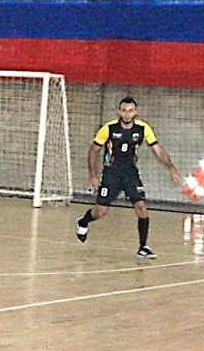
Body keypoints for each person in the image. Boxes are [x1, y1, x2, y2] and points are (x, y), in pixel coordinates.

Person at [76, 96, 180, 258]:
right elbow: (93, 150)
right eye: (124, 110)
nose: (127, 114)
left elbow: (158, 149)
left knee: (141, 207)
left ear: (135, 112)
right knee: (101, 211)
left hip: (131, 174)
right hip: (111, 174)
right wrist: (93, 175)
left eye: (130, 110)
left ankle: (143, 247)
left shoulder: (143, 129)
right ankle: (83, 221)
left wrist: (171, 167)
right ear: (119, 111)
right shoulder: (109, 128)